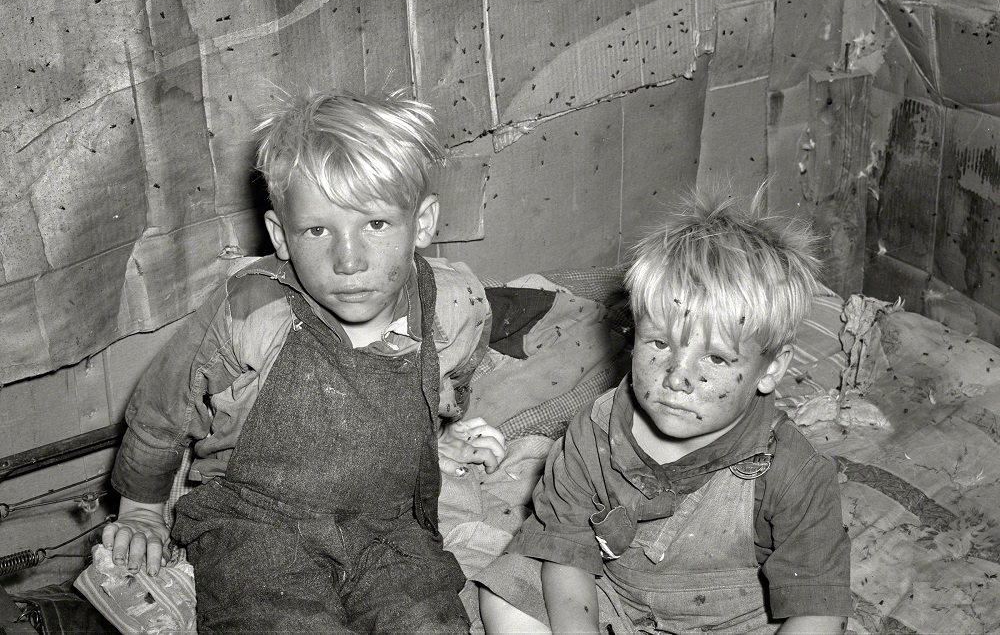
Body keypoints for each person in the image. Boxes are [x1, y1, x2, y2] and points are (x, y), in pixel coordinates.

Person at [101, 88, 508, 632]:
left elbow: (445, 380)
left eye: (377, 224)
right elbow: (162, 410)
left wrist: (436, 436)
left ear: (424, 222)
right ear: (280, 236)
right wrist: (143, 512)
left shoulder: (455, 304)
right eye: (318, 230)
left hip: (389, 526)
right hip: (257, 524)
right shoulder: (249, 312)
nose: (348, 259)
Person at [477, 184, 851, 634]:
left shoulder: (796, 472)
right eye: (659, 343)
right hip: (614, 602)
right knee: (506, 586)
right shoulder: (591, 435)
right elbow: (565, 552)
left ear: (770, 368)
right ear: (633, 335)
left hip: (735, 620)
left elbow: (816, 606)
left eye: (715, 357)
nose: (677, 376)